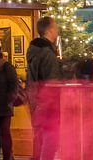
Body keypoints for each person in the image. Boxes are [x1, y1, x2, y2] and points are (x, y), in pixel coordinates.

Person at [26, 16, 62, 160]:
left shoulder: (34, 50)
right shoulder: (47, 53)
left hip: (36, 99)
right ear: (50, 30)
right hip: (47, 102)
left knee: (40, 136)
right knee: (51, 137)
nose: (57, 32)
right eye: (56, 28)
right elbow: (52, 81)